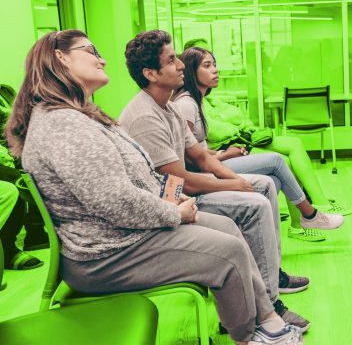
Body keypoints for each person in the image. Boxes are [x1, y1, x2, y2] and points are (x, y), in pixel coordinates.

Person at [5, 29, 303, 345]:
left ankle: (267, 319)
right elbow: (117, 200)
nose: (102, 59)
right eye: (91, 51)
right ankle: (250, 336)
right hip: (107, 252)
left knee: (228, 226)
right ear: (60, 58)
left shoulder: (87, 115)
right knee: (229, 250)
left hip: (130, 230)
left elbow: (158, 173)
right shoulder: (65, 125)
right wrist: (176, 212)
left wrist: (181, 200)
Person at [120, 29, 319, 333]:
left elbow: (201, 157)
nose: (181, 66)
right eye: (172, 60)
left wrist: (237, 179)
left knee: (263, 185)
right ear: (151, 73)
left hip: (183, 189)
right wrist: (234, 186)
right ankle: (267, 304)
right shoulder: (144, 116)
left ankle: (271, 280)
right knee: (254, 204)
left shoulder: (169, 107)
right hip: (172, 201)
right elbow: (180, 181)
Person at [175, 46, 350, 242]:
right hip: (203, 173)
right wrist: (225, 155)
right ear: (192, 71)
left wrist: (220, 153)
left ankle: (269, 243)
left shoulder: (197, 101)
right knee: (276, 160)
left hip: (214, 161)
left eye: (214, 64)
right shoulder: (186, 105)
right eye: (207, 66)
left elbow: (197, 149)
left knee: (274, 182)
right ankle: (309, 215)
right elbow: (188, 158)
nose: (215, 70)